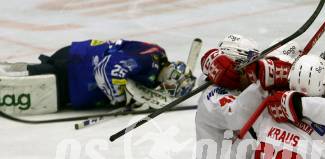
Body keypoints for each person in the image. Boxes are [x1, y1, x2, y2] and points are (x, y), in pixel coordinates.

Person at [0, 39, 195, 110]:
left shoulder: (154, 65)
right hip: (75, 68)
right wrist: (119, 99)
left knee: (24, 80)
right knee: (22, 80)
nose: (168, 89)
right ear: (173, 74)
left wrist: (133, 97)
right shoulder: (150, 61)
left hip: (78, 81)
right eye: (173, 87)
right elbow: (108, 68)